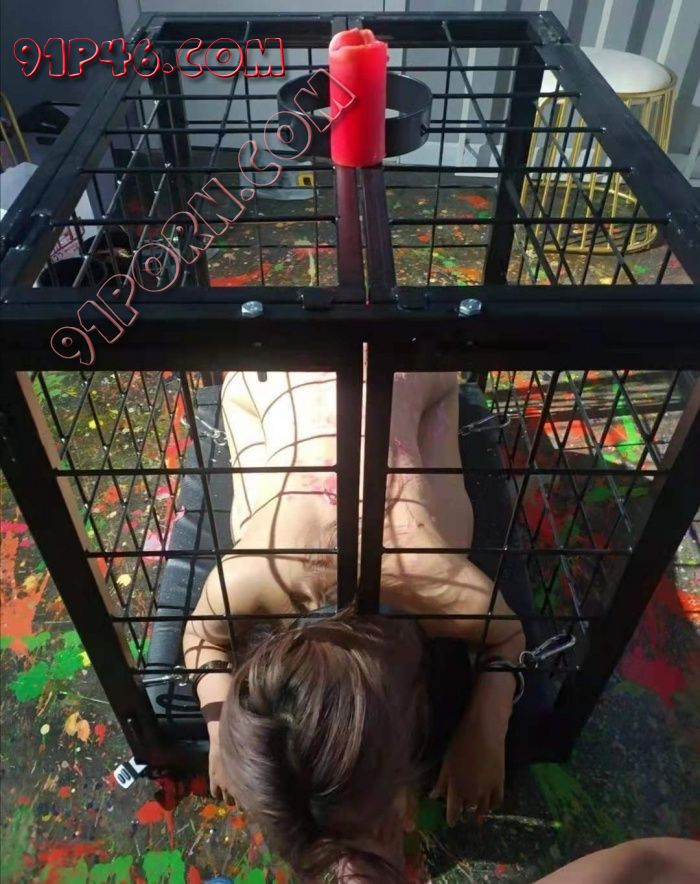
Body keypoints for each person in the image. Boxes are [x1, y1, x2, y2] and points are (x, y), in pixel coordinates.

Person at [182, 370, 525, 881]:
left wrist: (487, 727)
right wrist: (219, 735)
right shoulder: (254, 575)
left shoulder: (428, 580)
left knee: (443, 488)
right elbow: (201, 635)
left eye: (385, 823)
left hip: (387, 374)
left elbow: (509, 634)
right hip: (273, 380)